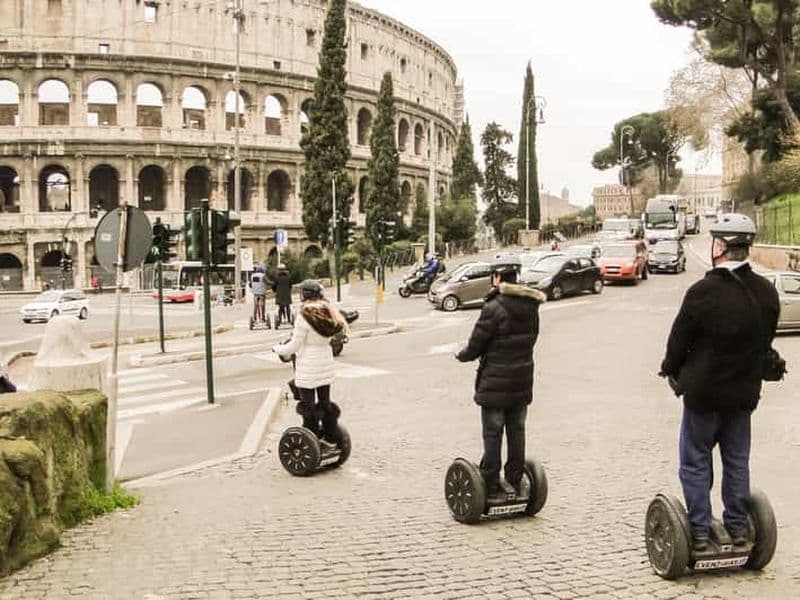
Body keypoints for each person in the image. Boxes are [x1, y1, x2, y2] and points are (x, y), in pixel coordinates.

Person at [659, 213, 780, 552]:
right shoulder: (766, 293)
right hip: (743, 395)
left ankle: (698, 532)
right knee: (737, 460)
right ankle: (739, 529)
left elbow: (677, 343)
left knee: (695, 460)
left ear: (721, 246)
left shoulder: (702, 292)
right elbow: (764, 342)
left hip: (704, 396)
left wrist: (670, 368)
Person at [455, 258, 547, 497]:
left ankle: (492, 484)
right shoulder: (531, 306)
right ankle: (515, 481)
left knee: (493, 432)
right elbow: (532, 338)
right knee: (517, 431)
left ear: (497, 278)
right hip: (522, 379)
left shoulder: (493, 307)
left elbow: (475, 345)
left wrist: (461, 355)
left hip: (495, 382)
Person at [273, 280, 346, 445]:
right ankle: (331, 434)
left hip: (308, 366)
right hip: (325, 363)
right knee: (325, 403)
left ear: (304, 295)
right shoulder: (329, 313)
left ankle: (311, 435)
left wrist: (277, 349)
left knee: (308, 406)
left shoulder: (304, 317)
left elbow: (294, 345)